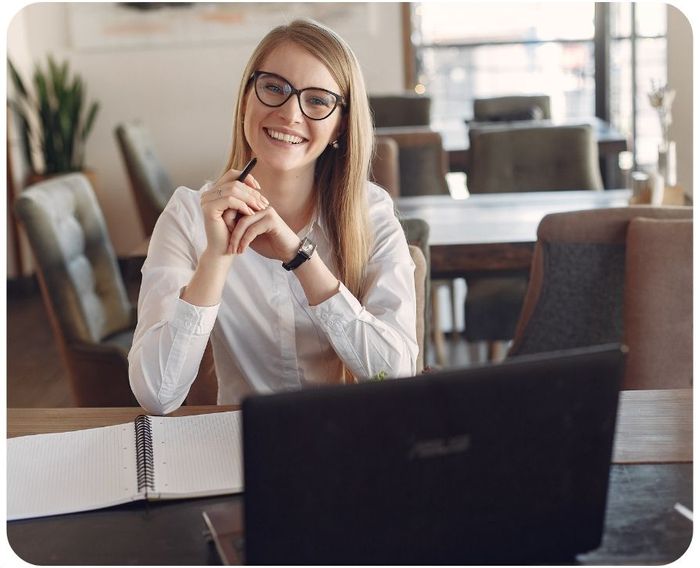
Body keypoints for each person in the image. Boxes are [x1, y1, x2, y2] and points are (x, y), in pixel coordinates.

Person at [128, 19, 418, 415]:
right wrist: (217, 256)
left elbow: (397, 379)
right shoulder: (188, 215)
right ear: (247, 96)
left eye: (317, 100)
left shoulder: (372, 213)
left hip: (349, 440)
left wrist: (301, 258)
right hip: (239, 447)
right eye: (274, 88)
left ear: (341, 126)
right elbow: (157, 395)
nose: (289, 113)